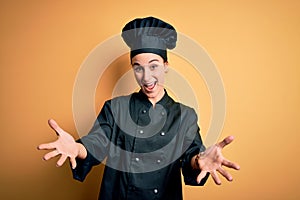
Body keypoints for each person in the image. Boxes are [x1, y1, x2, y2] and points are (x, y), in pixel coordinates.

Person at [38, 16, 240, 200]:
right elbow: (96, 143)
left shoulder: (185, 115)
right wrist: (77, 148)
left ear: (166, 66)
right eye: (138, 67)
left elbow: (192, 158)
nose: (146, 77)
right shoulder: (115, 108)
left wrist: (200, 161)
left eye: (154, 66)